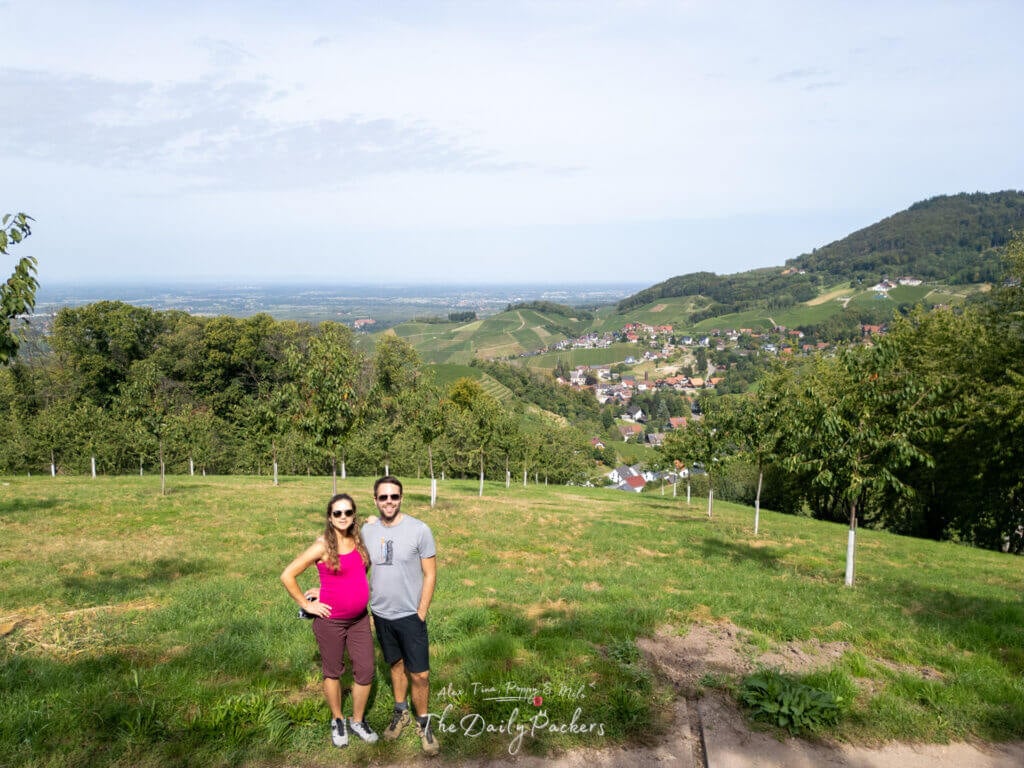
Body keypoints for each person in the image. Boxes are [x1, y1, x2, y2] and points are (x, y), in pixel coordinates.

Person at [281, 493, 379, 748]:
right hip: (330, 621)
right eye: (338, 513)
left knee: (366, 670)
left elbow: (354, 574)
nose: (343, 517)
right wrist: (306, 604)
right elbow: (287, 574)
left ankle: (357, 720)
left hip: (359, 619)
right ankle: (337, 719)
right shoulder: (322, 545)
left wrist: (327, 590)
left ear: (353, 515)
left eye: (348, 513)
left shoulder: (359, 540)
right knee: (333, 671)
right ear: (330, 517)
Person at [361, 475, 439, 755]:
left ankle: (424, 722)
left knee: (420, 674)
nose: (389, 501)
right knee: (395, 666)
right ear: (375, 500)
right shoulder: (367, 530)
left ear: (401, 498)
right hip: (381, 614)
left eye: (394, 496)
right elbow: (353, 565)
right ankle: (400, 712)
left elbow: (430, 574)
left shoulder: (419, 530)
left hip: (410, 615)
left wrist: (421, 611)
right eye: (383, 497)